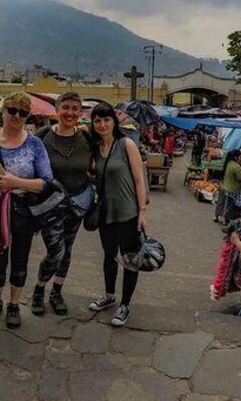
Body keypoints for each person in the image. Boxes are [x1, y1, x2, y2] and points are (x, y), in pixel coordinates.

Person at [0, 92, 54, 329]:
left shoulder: (34, 144)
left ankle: (14, 304)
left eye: (23, 112)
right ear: (2, 111)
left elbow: (46, 182)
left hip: (22, 210)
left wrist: (15, 182)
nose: (16, 116)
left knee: (20, 258)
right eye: (12, 110)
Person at [32, 92, 94, 316]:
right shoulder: (43, 135)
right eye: (65, 107)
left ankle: (57, 292)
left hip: (77, 203)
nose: (69, 112)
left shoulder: (87, 139)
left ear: (80, 112)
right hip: (50, 205)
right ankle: (39, 289)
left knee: (67, 250)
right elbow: (19, 145)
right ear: (57, 109)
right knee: (55, 251)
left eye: (74, 109)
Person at [89, 103, 148, 327]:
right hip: (106, 212)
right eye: (97, 121)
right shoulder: (95, 147)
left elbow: (139, 180)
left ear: (114, 121)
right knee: (109, 255)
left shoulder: (126, 144)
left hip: (128, 212)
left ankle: (125, 305)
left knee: (130, 259)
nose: (103, 125)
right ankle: (109, 295)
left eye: (107, 120)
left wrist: (142, 212)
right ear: (93, 124)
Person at [215, 149, 241, 224]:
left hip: (224, 186)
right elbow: (240, 178)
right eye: (240, 156)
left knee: (221, 203)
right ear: (236, 157)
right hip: (232, 189)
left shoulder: (227, 163)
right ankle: (225, 219)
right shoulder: (236, 166)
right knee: (228, 206)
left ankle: (217, 216)